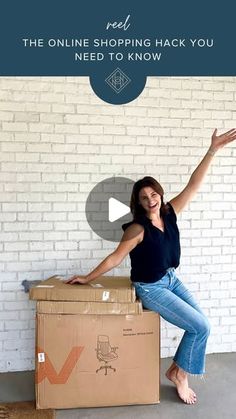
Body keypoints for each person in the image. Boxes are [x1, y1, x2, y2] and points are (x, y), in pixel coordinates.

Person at [66, 128, 236, 404]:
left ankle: (175, 370)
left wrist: (213, 150)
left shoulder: (169, 212)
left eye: (153, 193)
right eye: (144, 198)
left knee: (201, 325)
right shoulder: (137, 228)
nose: (151, 200)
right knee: (200, 326)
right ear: (139, 203)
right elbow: (116, 257)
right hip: (151, 288)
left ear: (159, 193)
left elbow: (194, 185)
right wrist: (87, 277)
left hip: (171, 279)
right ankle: (180, 375)